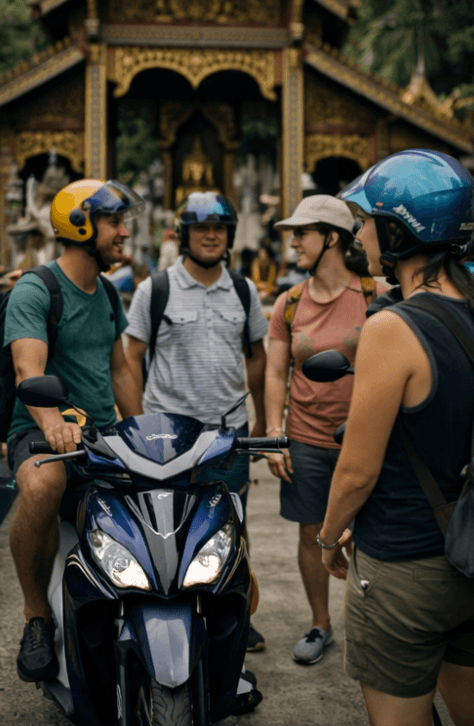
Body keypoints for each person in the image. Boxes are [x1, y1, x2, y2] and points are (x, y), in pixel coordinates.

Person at [319, 149, 474, 726]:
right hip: (470, 551)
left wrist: (328, 538)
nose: (360, 234)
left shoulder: (393, 328)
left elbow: (357, 472)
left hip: (406, 568)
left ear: (400, 229)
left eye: (368, 221)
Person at [5, 178, 144, 683]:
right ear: (81, 226)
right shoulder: (35, 289)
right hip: (40, 432)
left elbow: (121, 368)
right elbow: (28, 370)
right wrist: (54, 422)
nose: (124, 233)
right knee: (44, 484)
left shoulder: (107, 291)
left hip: (101, 436)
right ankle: (37, 615)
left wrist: (143, 433)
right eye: (115, 223)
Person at [124, 191, 268, 655]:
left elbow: (258, 358)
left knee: (231, 528)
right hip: (169, 438)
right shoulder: (155, 289)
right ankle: (171, 622)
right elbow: (130, 358)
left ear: (228, 236)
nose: (211, 235)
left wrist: (261, 421)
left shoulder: (244, 291)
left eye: (220, 228)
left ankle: (235, 614)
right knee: (171, 530)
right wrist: (134, 427)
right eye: (202, 228)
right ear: (184, 234)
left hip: (229, 435)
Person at [264, 194, 387, 665]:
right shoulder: (289, 303)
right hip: (308, 439)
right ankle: (321, 623)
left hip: (368, 437)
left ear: (331, 238)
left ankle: (372, 625)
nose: (293, 243)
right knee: (313, 534)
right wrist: (276, 432)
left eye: (302, 233)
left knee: (375, 533)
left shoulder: (375, 293)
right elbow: (276, 373)